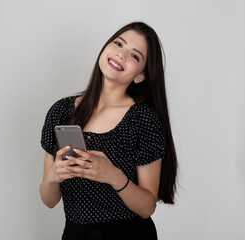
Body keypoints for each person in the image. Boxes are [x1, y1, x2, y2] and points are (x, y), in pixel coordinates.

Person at [39, 22, 178, 240]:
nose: (121, 54)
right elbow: (49, 200)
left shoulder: (143, 119)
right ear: (105, 48)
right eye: (118, 43)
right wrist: (53, 177)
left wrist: (113, 176)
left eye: (135, 56)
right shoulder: (61, 111)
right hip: (76, 234)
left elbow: (147, 207)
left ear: (140, 76)